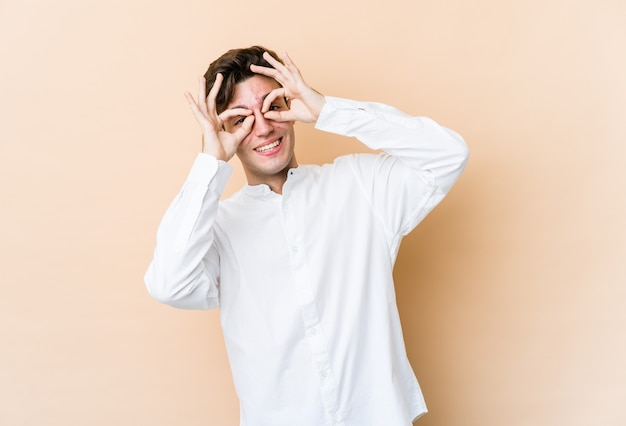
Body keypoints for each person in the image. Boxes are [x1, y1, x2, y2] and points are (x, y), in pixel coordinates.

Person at [145, 45, 469, 426]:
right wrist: (211, 162)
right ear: (225, 131)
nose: (263, 127)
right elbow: (168, 284)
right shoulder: (219, 230)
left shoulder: (359, 186)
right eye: (241, 120)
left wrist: (327, 110)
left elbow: (448, 154)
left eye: (272, 106)